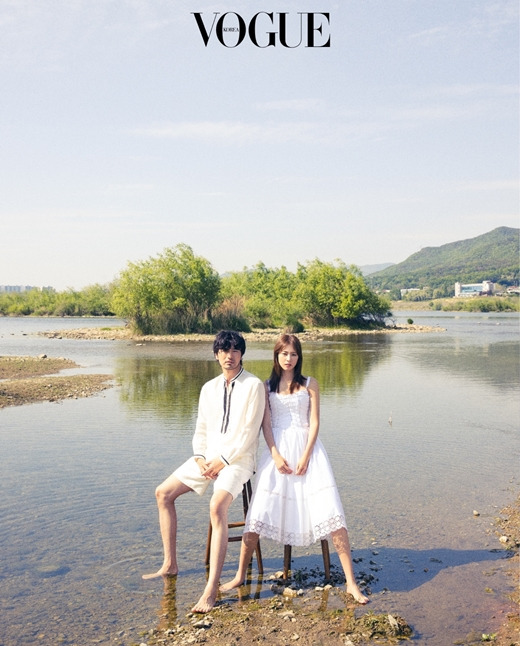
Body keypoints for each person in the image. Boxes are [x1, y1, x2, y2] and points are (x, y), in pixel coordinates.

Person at [221, 333, 369, 604]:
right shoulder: (266, 387)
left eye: (293, 354)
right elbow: (266, 425)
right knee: (257, 513)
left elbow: (314, 423)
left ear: (299, 357)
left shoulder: (310, 384)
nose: (288, 359)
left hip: (309, 452)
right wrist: (275, 454)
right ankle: (240, 574)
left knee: (332, 513)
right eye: (284, 353)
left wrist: (306, 455)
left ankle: (351, 582)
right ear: (276, 356)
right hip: (277, 453)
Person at [142, 330, 265, 614]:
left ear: (242, 354)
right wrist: (199, 457)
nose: (229, 356)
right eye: (224, 350)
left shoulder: (253, 385)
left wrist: (223, 460)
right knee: (163, 493)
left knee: (217, 505)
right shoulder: (208, 388)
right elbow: (200, 429)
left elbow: (249, 433)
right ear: (216, 354)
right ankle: (170, 564)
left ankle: (211, 589)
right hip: (208, 458)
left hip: (239, 461)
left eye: (235, 350)